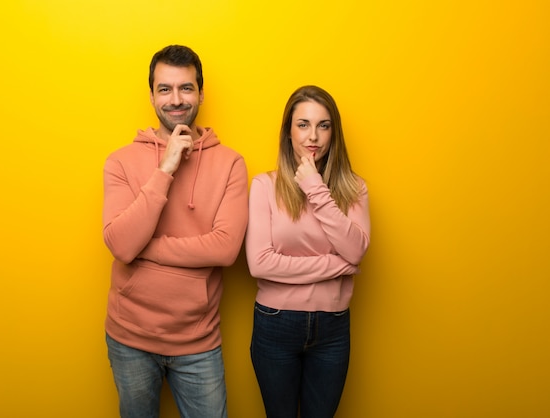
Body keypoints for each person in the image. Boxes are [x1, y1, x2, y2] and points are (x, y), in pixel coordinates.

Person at [102, 45, 249, 418]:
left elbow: (226, 249)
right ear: (151, 95)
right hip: (129, 339)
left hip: (198, 342)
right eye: (165, 89)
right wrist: (164, 169)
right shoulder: (120, 161)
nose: (176, 99)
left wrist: (144, 248)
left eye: (186, 88)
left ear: (201, 92)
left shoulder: (230, 163)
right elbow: (120, 244)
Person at [245, 85, 371, 418]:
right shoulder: (264, 186)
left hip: (333, 328)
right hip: (275, 324)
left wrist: (316, 188)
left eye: (323, 125)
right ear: (288, 131)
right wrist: (335, 265)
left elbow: (355, 252)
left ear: (334, 132)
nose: (313, 136)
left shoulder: (354, 188)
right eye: (303, 124)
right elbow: (259, 264)